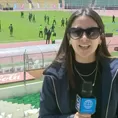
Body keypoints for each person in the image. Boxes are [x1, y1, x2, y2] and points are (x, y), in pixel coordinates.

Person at [39, 8, 118, 118]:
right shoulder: (53, 76)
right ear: (69, 38)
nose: (84, 38)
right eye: (77, 32)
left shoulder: (116, 73)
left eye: (92, 32)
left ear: (101, 38)